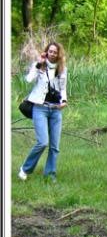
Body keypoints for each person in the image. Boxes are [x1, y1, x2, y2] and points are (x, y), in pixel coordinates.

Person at [18, 42, 68, 183]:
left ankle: (50, 174)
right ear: (46, 52)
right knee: (42, 142)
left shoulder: (62, 69)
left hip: (55, 110)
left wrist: (64, 101)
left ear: (58, 54)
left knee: (55, 146)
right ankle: (25, 169)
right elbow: (28, 79)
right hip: (40, 108)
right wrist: (39, 64)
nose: (52, 54)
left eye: (55, 52)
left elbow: (63, 88)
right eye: (50, 51)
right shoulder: (39, 65)